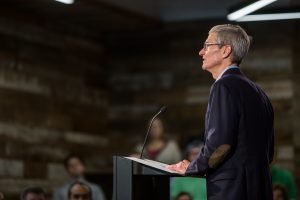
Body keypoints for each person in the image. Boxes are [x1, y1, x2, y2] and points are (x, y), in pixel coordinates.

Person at [167, 24, 274, 200]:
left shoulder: (224, 86)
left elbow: (220, 145)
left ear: (225, 51)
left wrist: (193, 167)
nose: (201, 52)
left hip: (232, 191)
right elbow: (268, 152)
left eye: (207, 45)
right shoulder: (259, 93)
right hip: (260, 188)